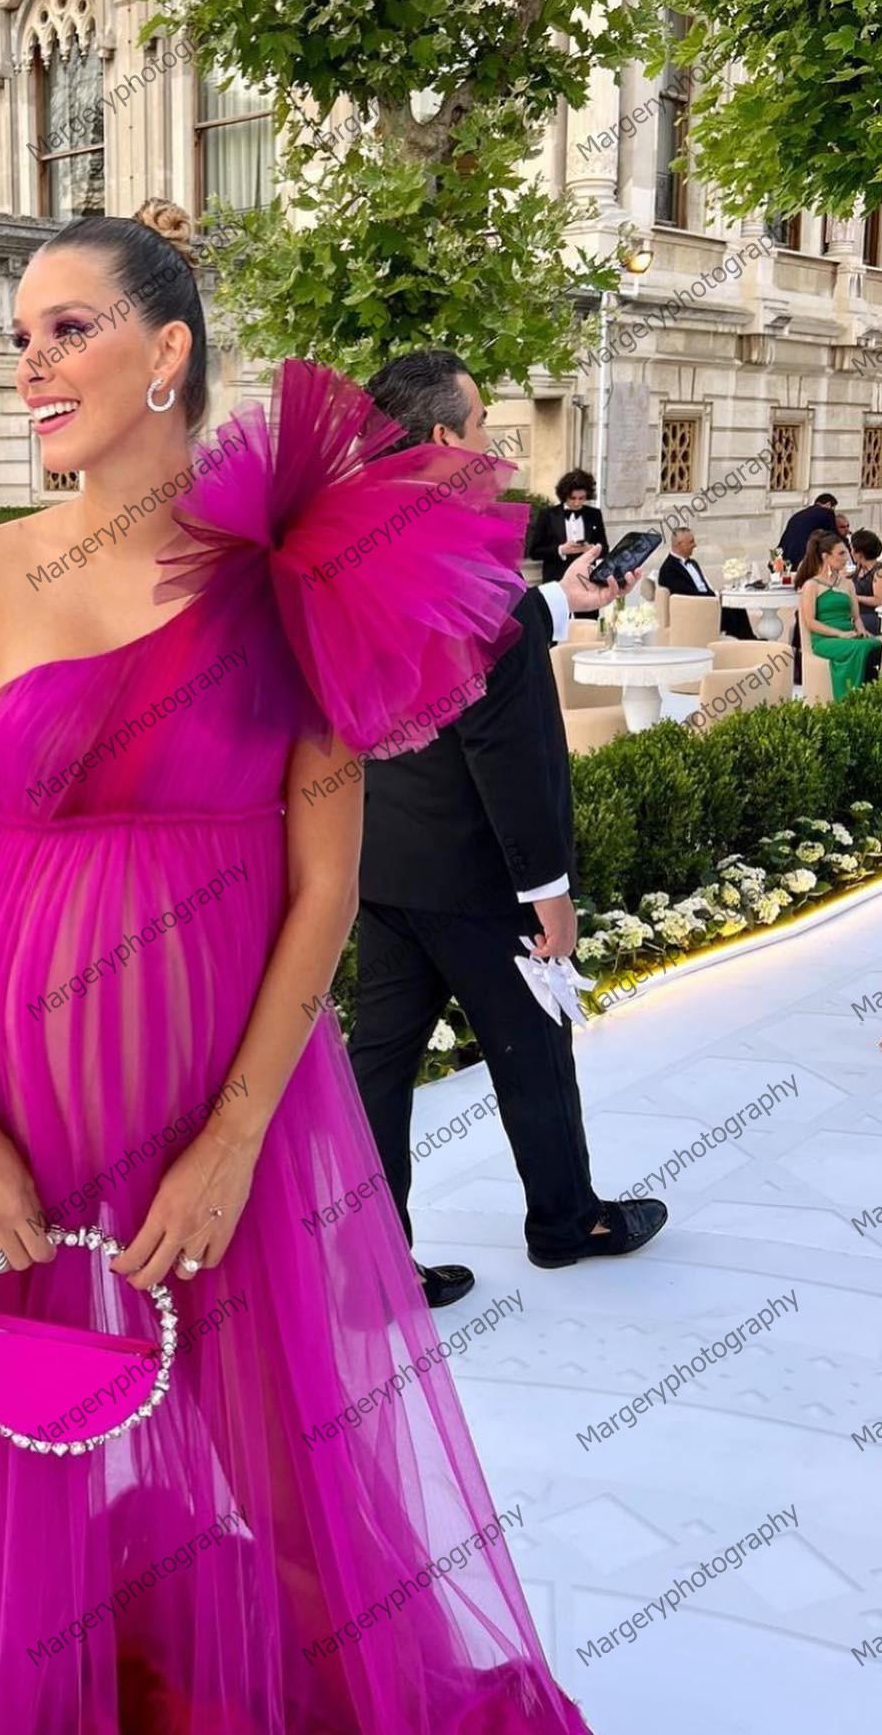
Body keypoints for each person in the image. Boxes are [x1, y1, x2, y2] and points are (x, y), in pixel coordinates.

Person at [0, 201, 592, 1734]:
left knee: (297, 1476)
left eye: (70, 330)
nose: (32, 365)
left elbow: (324, 887)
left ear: (168, 351)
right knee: (27, 1474)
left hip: (232, 1124)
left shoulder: (298, 578)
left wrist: (234, 1138)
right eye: (20, 339)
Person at [346, 347, 666, 1309]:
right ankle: (567, 1223)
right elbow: (509, 755)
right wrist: (549, 892)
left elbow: (454, 647)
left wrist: (562, 604)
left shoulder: (355, 551)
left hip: (380, 864)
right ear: (446, 438)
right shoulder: (468, 568)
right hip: (480, 877)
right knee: (535, 1050)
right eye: (482, 423)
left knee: (377, 1067)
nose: (491, 443)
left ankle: (374, 1262)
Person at [797, 531, 880, 699]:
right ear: (826, 556)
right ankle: (850, 699)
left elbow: (856, 617)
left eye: (846, 553)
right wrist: (840, 634)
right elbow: (810, 622)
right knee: (861, 648)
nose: (846, 558)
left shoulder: (848, 584)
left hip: (850, 635)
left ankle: (873, 695)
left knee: (876, 644)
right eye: (841, 553)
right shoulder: (812, 585)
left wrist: (861, 631)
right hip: (825, 640)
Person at [656, 525, 755, 640]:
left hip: (708, 602)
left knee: (736, 605)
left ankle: (748, 640)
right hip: (695, 611)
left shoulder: (693, 563)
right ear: (679, 544)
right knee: (731, 610)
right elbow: (686, 593)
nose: (695, 545)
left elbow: (703, 586)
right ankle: (746, 642)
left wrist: (716, 595)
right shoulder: (668, 569)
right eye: (691, 542)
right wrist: (713, 597)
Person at [526, 467, 608, 583]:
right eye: (572, 498)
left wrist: (591, 549)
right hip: (556, 579)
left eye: (581, 498)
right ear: (564, 495)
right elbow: (535, 552)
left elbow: (605, 549)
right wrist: (561, 550)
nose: (577, 503)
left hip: (586, 578)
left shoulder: (594, 514)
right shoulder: (548, 515)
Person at [776, 491, 839, 569]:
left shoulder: (797, 516)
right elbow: (834, 538)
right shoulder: (827, 512)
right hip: (806, 560)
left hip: (789, 560)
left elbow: (784, 541)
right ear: (829, 505)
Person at [849, 528, 882, 635]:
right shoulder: (860, 568)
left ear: (859, 553)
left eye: (852, 549)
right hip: (856, 613)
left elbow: (878, 600)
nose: (851, 553)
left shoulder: (879, 571)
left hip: (869, 615)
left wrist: (855, 597)